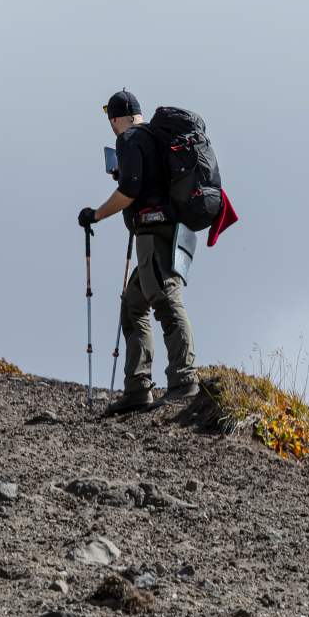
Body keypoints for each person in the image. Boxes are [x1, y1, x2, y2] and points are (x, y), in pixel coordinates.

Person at [78, 90, 199, 414]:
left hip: (154, 233)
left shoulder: (130, 139)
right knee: (133, 304)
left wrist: (95, 215)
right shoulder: (157, 138)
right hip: (175, 231)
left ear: (115, 118)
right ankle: (137, 389)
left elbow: (130, 190)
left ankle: (184, 379)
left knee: (166, 299)